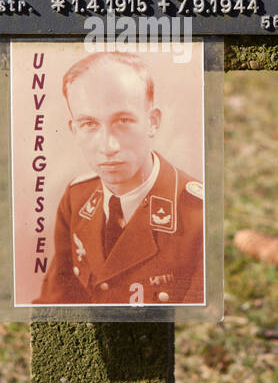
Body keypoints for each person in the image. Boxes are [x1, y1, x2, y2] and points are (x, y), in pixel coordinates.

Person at [35, 51, 204, 306]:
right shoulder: (77, 199)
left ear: (152, 122)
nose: (108, 145)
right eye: (89, 124)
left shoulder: (198, 213)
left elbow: (198, 330)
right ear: (74, 130)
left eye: (123, 121)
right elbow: (56, 304)